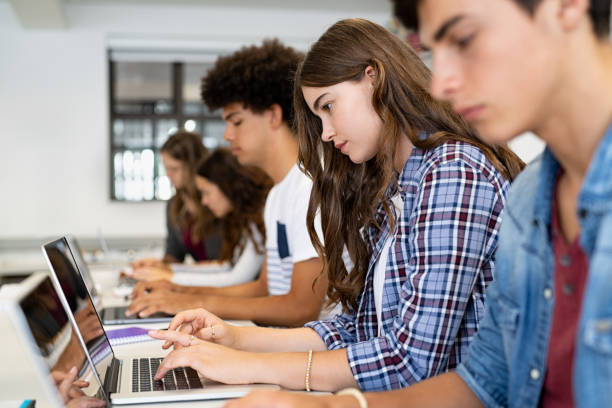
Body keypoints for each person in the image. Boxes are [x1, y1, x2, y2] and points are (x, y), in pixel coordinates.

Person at [226, 0, 612, 406]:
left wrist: (257, 366)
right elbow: (484, 380)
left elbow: (413, 360)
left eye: (462, 39)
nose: (441, 81)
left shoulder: (456, 167)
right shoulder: (533, 194)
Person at [146, 18, 523, 394]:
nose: (325, 132)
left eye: (328, 106)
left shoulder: (452, 172)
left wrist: (246, 365)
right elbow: (358, 328)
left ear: (373, 79)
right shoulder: (395, 185)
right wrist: (234, 339)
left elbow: (410, 362)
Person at [126, 39, 329, 327]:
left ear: (273, 115)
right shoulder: (278, 195)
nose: (227, 136)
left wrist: (188, 302)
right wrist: (180, 292)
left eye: (236, 121)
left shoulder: (309, 187)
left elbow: (300, 308)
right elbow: (263, 289)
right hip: (280, 342)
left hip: (307, 356)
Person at [128, 148, 272, 292]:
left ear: (226, 186)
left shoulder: (260, 218)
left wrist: (170, 277)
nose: (204, 201)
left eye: (206, 193)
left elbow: (237, 277)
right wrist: (169, 269)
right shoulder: (246, 218)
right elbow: (227, 266)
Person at [130, 130, 220, 275]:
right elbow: (174, 255)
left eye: (174, 168)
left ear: (194, 166)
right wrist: (157, 265)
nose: (168, 174)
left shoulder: (217, 202)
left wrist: (177, 270)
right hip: (199, 282)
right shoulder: (174, 205)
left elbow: (226, 265)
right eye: (166, 168)